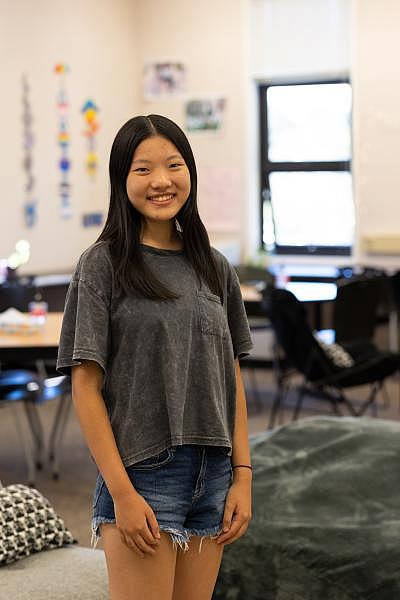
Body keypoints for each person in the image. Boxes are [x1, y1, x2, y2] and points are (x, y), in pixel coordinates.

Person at [57, 114, 253, 600]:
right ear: (122, 181)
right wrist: (122, 492)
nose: (162, 181)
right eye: (143, 169)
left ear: (190, 171)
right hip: (142, 471)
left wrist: (243, 477)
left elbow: (230, 378)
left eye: (174, 165)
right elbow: (85, 387)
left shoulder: (213, 265)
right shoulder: (102, 264)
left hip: (215, 471)